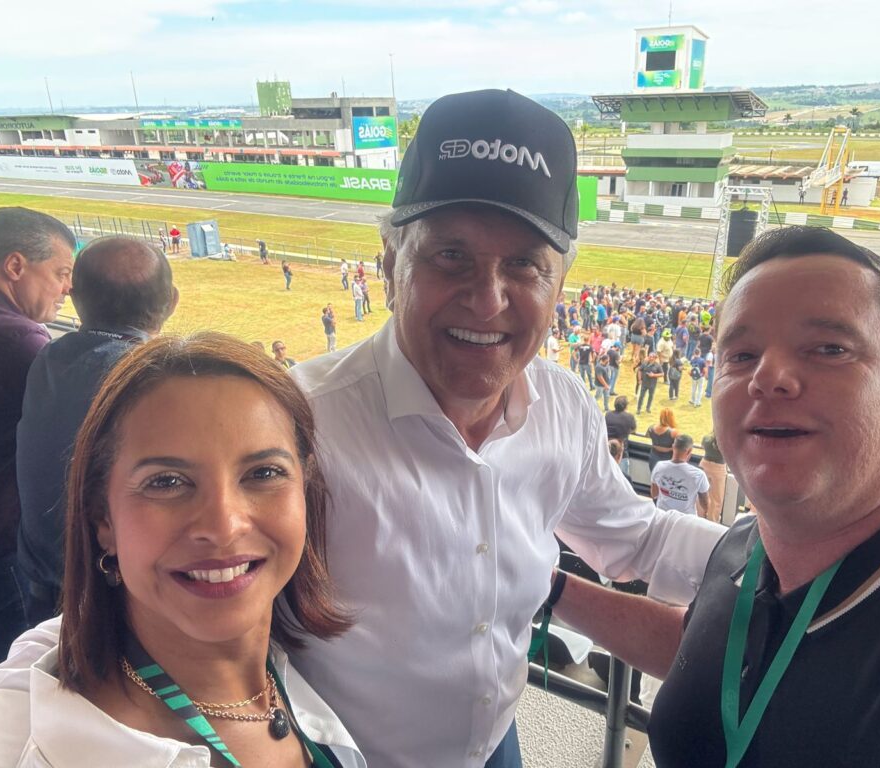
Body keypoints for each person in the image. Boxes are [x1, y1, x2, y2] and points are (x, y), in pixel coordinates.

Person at [288, 88, 723, 768]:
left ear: (559, 285)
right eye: (450, 256)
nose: (488, 300)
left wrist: (778, 562)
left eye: (524, 264)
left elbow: (635, 536)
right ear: (389, 264)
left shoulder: (563, 404)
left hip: (494, 742)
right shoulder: (298, 424)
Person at [549, 226, 880, 767]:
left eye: (829, 349)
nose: (767, 377)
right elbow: (712, 651)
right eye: (742, 355)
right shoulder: (744, 545)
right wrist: (548, 586)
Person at [0, 334, 364, 767]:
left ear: (304, 488)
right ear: (103, 520)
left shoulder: (286, 665)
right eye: (166, 482)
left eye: (263, 473)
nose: (223, 528)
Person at [15, 237, 178, 627]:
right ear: (172, 302)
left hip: (42, 591)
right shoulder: (153, 379)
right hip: (111, 600)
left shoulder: (50, 357)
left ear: (74, 298)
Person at [0, 207, 76, 661]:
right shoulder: (20, 341)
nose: (68, 287)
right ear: (15, 266)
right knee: (30, 662)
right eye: (61, 272)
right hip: (1, 544)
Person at [649, 434, 710, 517]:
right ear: (689, 451)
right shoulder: (699, 475)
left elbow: (654, 494)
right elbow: (705, 504)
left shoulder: (659, 467)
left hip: (662, 515)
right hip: (685, 519)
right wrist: (706, 511)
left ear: (673, 447)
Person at [698, 433, 726, 524]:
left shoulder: (706, 438)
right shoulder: (725, 440)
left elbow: (702, 446)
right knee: (716, 498)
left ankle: (699, 518)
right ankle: (712, 522)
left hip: (704, 465)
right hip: (718, 469)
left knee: (701, 493)